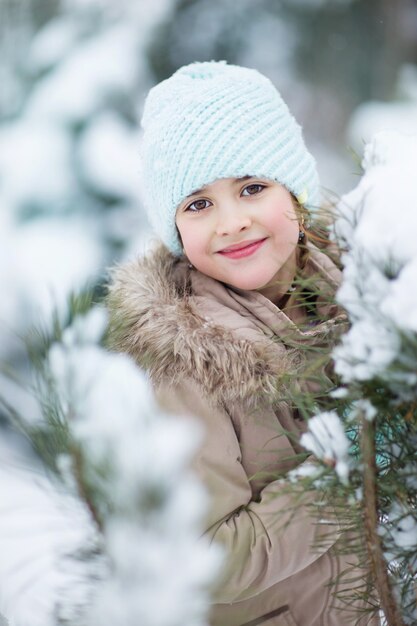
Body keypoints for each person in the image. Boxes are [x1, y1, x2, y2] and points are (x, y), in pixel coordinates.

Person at [107, 61, 379, 626]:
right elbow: (210, 559)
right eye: (199, 204)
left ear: (296, 194)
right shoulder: (181, 358)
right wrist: (348, 471)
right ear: (176, 230)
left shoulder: (368, 291)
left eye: (252, 188)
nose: (231, 222)